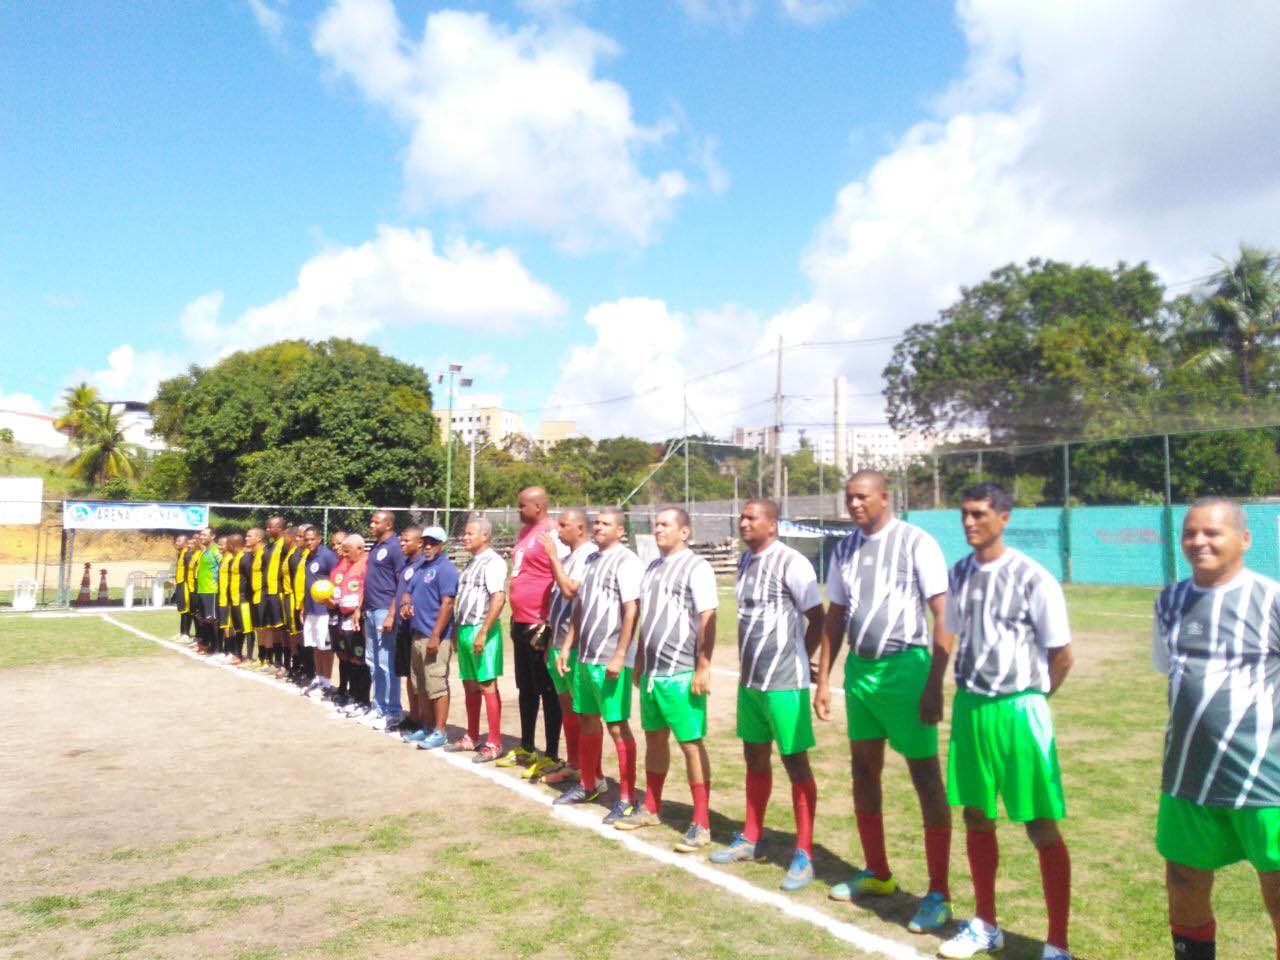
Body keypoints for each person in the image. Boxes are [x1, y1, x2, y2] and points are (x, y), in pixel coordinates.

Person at [936, 483, 1073, 960]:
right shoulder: (959, 573)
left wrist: (1035, 696)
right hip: (972, 708)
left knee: (1040, 823)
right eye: (965, 515)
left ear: (1004, 517)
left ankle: (1056, 943)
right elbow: (951, 633)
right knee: (976, 816)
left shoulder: (1034, 578)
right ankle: (985, 924)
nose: (970, 523)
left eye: (979, 514)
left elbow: (1062, 655)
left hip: (1019, 710)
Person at [815, 470, 954, 933]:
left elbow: (942, 610)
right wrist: (824, 679)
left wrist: (935, 681)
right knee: (862, 770)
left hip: (907, 670)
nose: (854, 505)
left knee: (925, 777)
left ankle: (938, 893)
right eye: (849, 498)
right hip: (861, 674)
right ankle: (877, 872)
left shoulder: (916, 541)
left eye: (862, 497)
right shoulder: (844, 548)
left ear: (884, 498)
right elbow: (836, 614)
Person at [1153, 498, 1280, 960]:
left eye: (1212, 532)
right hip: (1188, 775)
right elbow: (1173, 676)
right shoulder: (1169, 601)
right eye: (1190, 533)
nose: (1198, 541)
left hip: (1266, 779)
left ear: (1244, 539)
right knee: (1184, 881)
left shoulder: (1271, 599)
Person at [711, 498, 824, 892]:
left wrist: (799, 660)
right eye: (740, 516)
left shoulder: (792, 562)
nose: (742, 522)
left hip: (784, 683)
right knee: (754, 758)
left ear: (772, 524)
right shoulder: (745, 562)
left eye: (750, 517)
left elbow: (819, 618)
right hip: (750, 682)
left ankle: (804, 852)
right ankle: (750, 838)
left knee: (795, 763)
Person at [616, 507, 718, 854]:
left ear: (684, 532)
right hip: (653, 674)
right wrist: (640, 659)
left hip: (682, 671)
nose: (657, 529)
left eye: (665, 525)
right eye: (656, 524)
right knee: (655, 740)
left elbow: (708, 616)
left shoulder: (697, 567)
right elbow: (649, 618)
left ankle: (701, 823)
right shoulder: (653, 568)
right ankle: (651, 808)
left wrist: (703, 666)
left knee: (690, 743)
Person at [554, 508, 644, 825]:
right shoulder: (591, 559)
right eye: (596, 522)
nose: (598, 527)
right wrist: (567, 646)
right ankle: (589, 784)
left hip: (609, 657)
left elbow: (632, 608)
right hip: (585, 656)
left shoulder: (627, 561)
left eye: (606, 523)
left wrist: (621, 653)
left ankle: (628, 798)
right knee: (587, 719)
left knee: (617, 725)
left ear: (621, 531)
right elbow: (580, 607)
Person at [502, 487, 568, 777]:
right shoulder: (525, 533)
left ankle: (552, 753)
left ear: (539, 506)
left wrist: (550, 622)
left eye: (521, 506)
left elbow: (561, 576)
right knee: (525, 689)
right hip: (520, 621)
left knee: (548, 691)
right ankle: (527, 746)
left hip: (539, 624)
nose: (517, 511)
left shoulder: (552, 533)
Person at [540, 509, 597, 786]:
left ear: (580, 528)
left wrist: (552, 557)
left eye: (563, 525)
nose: (558, 530)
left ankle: (592, 772)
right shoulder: (570, 556)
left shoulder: (588, 554)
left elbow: (571, 591)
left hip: (575, 646)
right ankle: (575, 764)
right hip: (558, 643)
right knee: (568, 708)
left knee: (583, 711)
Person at [446, 517, 508, 762]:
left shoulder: (493, 562)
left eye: (470, 533)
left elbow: (499, 598)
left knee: (486, 684)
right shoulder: (471, 563)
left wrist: (483, 632)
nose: (465, 537)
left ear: (485, 536)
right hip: (464, 630)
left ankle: (494, 742)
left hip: (481, 630)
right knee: (469, 683)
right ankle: (472, 735)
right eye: (465, 533)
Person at [405, 526, 459, 751]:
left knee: (436, 684)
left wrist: (436, 635)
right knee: (421, 685)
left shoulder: (446, 569)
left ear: (442, 545)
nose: (428, 546)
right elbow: (408, 590)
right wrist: (405, 604)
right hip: (417, 634)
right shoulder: (420, 566)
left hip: (434, 636)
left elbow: (447, 603)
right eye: (425, 541)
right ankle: (426, 727)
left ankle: (440, 731)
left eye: (433, 542)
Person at [364, 510, 406, 731]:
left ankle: (393, 711)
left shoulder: (395, 548)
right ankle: (378, 707)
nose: (371, 525)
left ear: (388, 524)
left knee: (385, 662)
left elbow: (401, 585)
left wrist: (391, 614)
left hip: (384, 611)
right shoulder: (376, 547)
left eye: (376, 522)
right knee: (372, 661)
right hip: (370, 611)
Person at [390, 525, 427, 736]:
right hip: (402, 627)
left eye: (406, 540)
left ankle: (422, 718)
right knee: (407, 674)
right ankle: (413, 716)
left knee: (417, 677)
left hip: (414, 627)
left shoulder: (422, 565)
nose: (402, 544)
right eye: (401, 540)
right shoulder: (406, 564)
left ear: (419, 542)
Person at [335, 534, 372, 718]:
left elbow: (367, 588)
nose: (344, 554)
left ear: (359, 549)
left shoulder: (366, 563)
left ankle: (362, 700)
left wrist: (359, 608)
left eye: (347, 551)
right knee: (349, 658)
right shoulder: (349, 564)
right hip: (346, 617)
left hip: (359, 618)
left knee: (360, 659)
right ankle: (353, 696)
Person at [301, 526, 337, 697]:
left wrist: (331, 601)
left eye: (312, 539)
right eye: (306, 539)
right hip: (311, 607)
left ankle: (327, 682)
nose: (309, 542)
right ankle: (319, 677)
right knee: (316, 645)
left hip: (324, 609)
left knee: (325, 646)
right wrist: (304, 606)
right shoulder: (308, 556)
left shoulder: (327, 555)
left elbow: (336, 578)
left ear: (319, 538)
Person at [254, 516, 290, 676]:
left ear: (280, 528)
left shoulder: (285, 545)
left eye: (271, 527)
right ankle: (277, 661)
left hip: (279, 593)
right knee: (273, 629)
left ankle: (287, 664)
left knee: (282, 630)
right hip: (268, 592)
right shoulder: (271, 546)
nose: (268, 530)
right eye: (267, 527)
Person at [192, 528, 221, 656]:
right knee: (203, 620)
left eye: (204, 534)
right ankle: (206, 645)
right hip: (202, 590)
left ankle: (217, 649)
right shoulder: (205, 551)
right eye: (201, 534)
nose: (201, 537)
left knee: (213, 620)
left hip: (212, 590)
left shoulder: (216, 550)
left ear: (213, 536)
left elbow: (222, 566)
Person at [172, 534, 193, 642]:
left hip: (185, 584)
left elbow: (189, 571)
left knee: (185, 609)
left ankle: (186, 634)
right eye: (177, 541)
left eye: (179, 541)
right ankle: (181, 632)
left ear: (185, 543)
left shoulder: (187, 554)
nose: (177, 543)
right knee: (181, 609)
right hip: (180, 583)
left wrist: (188, 585)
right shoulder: (180, 554)